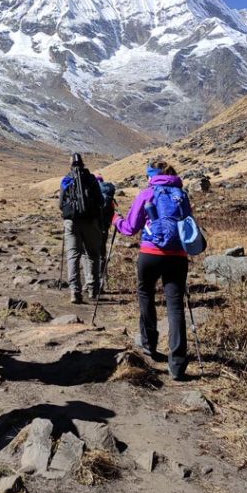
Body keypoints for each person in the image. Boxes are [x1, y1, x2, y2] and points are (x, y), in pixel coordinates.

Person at [112, 161, 190, 380]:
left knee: (146, 294)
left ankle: (149, 345)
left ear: (152, 176)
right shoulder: (181, 195)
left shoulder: (147, 194)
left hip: (151, 253)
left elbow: (130, 228)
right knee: (175, 307)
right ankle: (177, 364)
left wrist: (115, 220)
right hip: (178, 256)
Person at [59, 153, 103, 303]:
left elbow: (61, 204)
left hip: (71, 222)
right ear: (83, 164)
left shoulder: (66, 180)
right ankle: (92, 289)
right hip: (90, 221)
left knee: (73, 255)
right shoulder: (91, 179)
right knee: (92, 254)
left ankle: (74, 292)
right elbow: (100, 200)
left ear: (70, 164)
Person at [96, 174, 117, 276]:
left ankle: (91, 279)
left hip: (93, 226)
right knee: (102, 252)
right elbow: (112, 213)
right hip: (105, 227)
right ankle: (101, 279)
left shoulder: (94, 193)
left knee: (89, 253)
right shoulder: (109, 196)